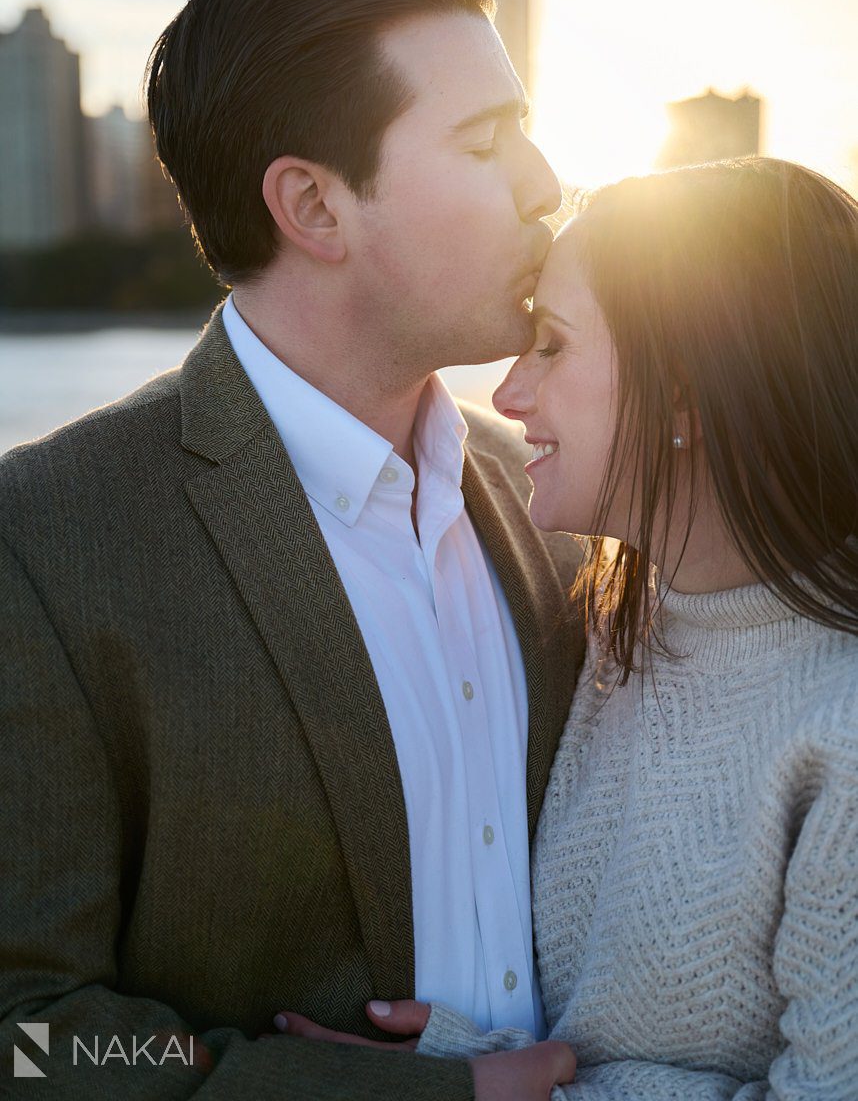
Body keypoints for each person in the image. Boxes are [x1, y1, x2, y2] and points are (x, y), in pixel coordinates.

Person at [0, 0, 584, 1099]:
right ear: (313, 203)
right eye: (484, 142)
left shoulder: (563, 497)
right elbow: (30, 1033)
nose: (544, 183)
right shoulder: (47, 541)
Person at [279, 158, 858, 1097]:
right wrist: (469, 1059)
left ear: (683, 394)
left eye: (551, 345)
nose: (507, 397)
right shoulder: (611, 620)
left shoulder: (840, 723)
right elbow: (605, 1010)